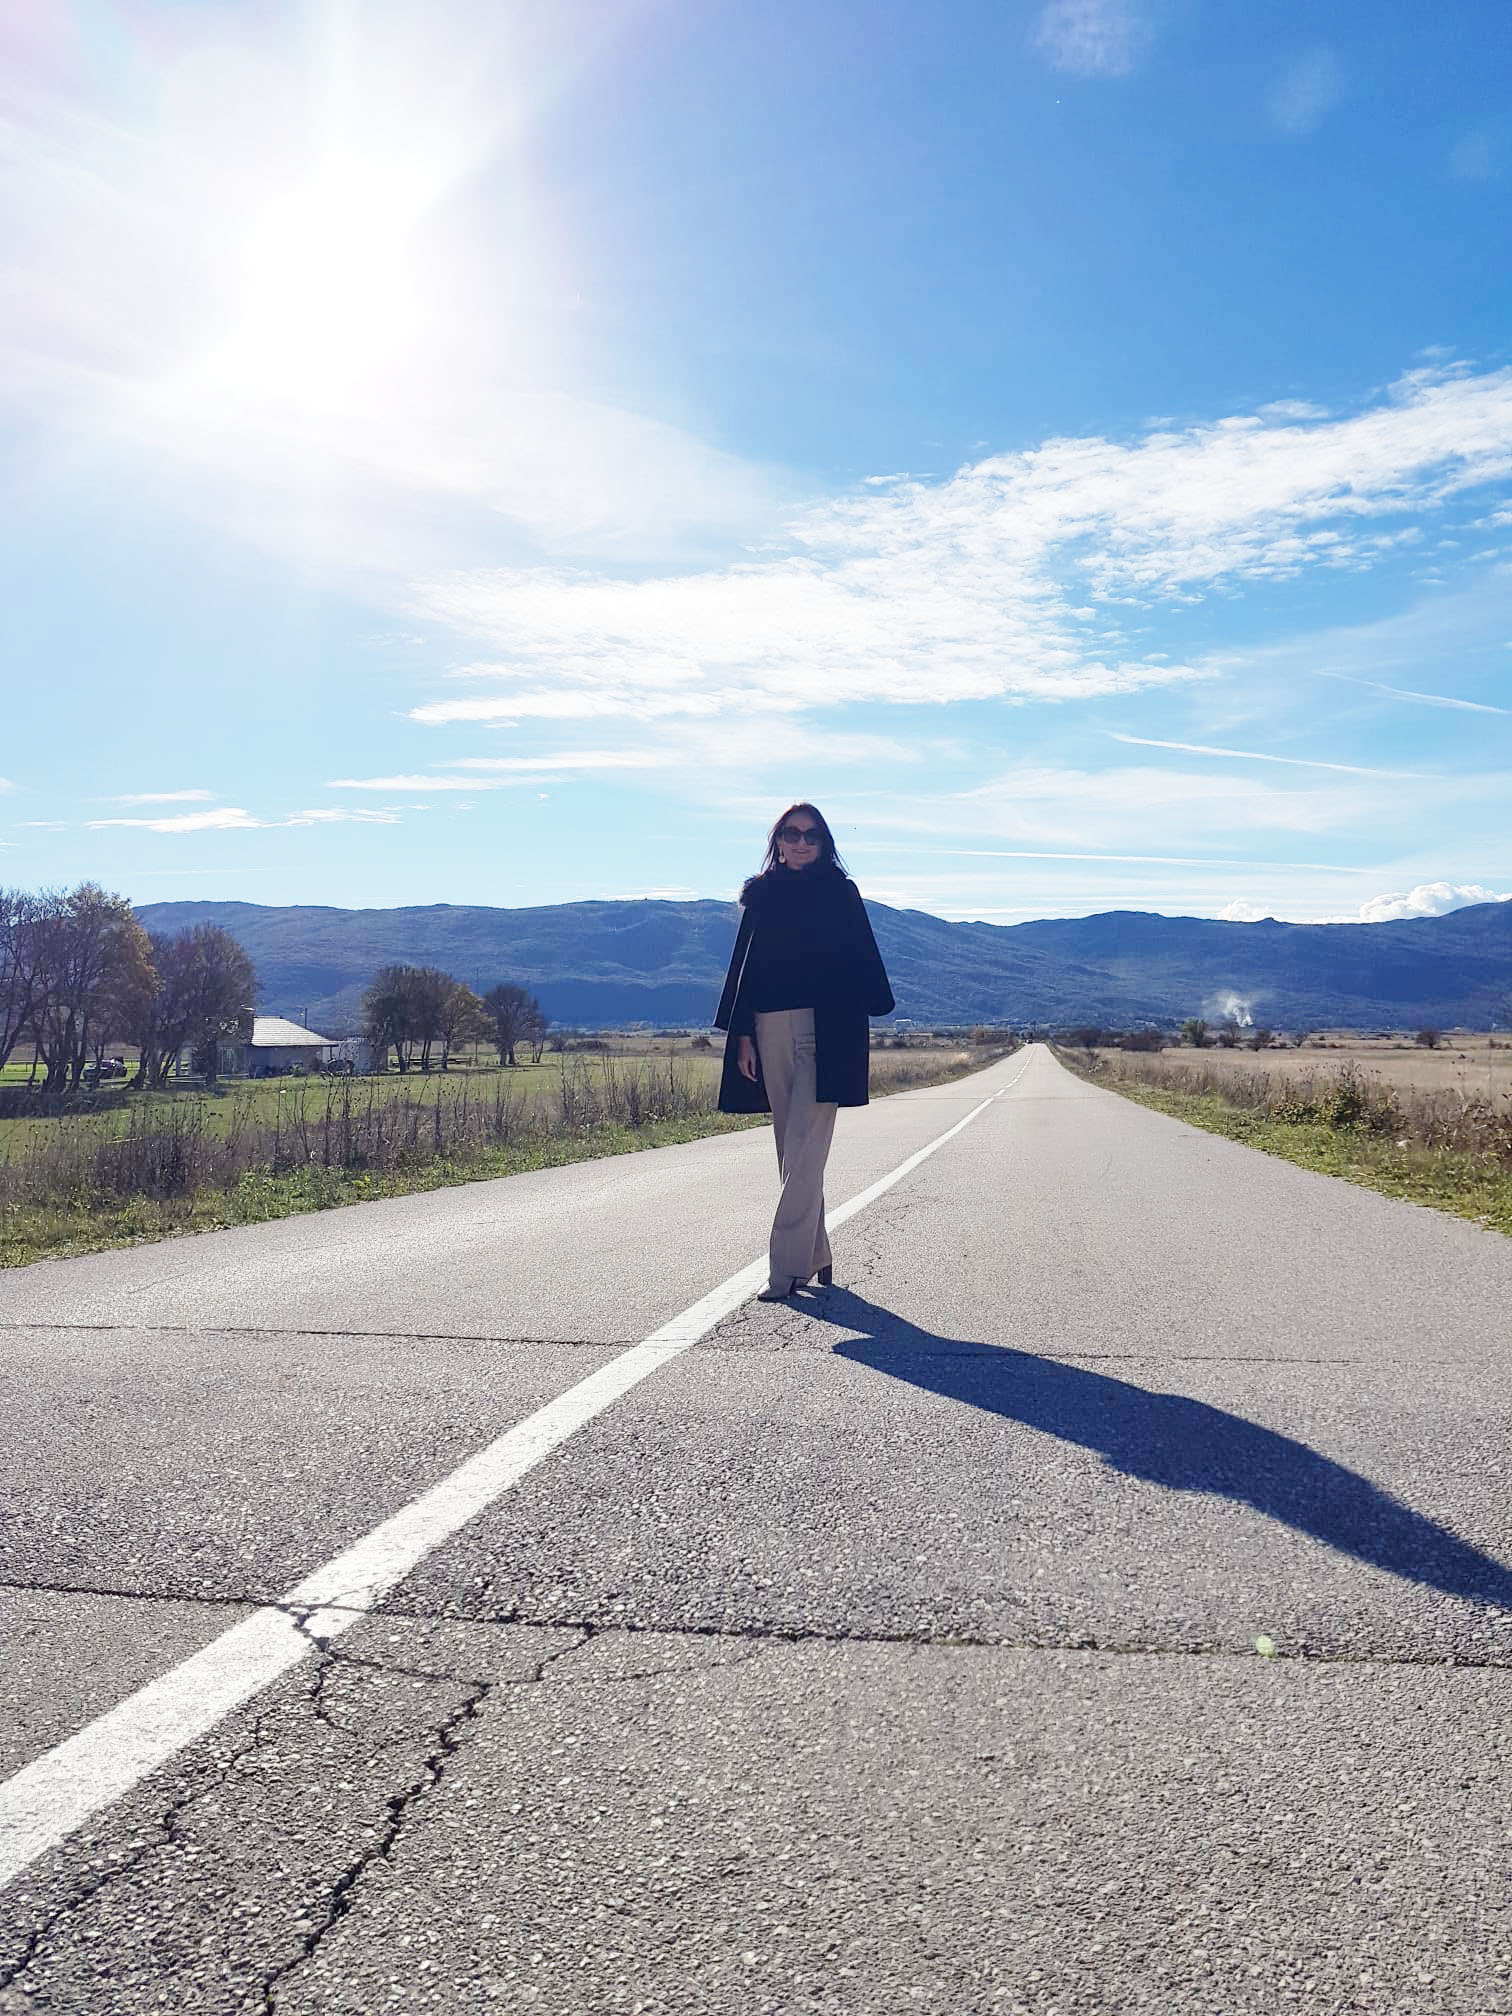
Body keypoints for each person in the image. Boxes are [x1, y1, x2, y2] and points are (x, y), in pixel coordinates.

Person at [713, 803, 895, 1300]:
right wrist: (744, 1033)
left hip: (825, 1030)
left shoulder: (840, 893)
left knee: (806, 1146)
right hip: (769, 1029)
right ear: (778, 840)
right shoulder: (762, 895)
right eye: (792, 834)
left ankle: (786, 1269)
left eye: (812, 836)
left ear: (825, 843)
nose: (801, 842)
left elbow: (862, 961)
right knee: (789, 1149)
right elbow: (747, 973)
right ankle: (816, 1254)